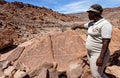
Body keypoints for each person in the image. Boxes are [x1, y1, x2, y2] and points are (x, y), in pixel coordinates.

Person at [72, 4, 112, 78]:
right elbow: (83, 25)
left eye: (89, 13)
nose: (88, 15)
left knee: (96, 75)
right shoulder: (92, 23)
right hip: (90, 53)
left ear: (93, 13)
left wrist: (101, 58)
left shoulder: (105, 24)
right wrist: (76, 26)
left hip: (98, 54)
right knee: (97, 72)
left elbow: (106, 42)